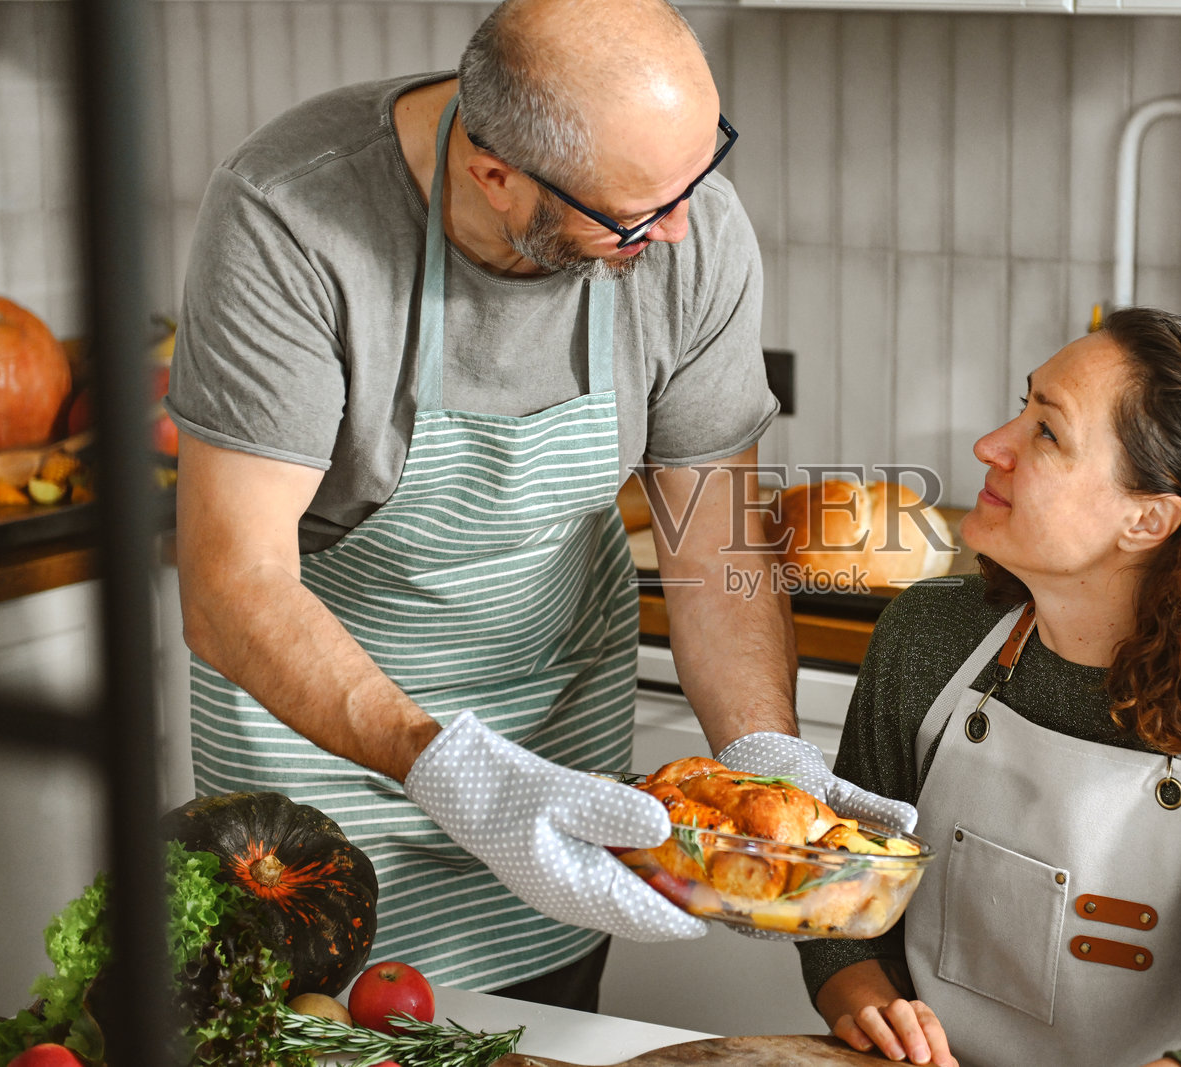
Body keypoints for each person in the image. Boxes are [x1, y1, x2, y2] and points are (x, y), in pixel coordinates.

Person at [168, 0, 913, 1006]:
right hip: (319, 778)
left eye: (702, 174)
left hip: (556, 762)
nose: (685, 227)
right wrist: (451, 771)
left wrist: (760, 756)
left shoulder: (687, 227)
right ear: (494, 175)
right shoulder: (292, 217)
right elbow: (231, 587)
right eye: (638, 214)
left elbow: (713, 541)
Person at [797, 308, 1181, 1067]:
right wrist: (871, 1007)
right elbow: (836, 901)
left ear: (1147, 518)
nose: (990, 445)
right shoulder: (926, 640)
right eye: (1022, 406)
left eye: (1047, 433)